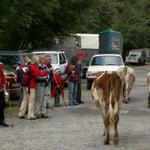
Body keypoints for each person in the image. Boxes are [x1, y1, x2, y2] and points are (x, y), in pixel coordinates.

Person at [18, 56, 50, 120]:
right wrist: (47, 71)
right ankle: (30, 115)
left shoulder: (29, 66)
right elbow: (40, 74)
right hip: (31, 86)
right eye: (38, 61)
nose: (38, 62)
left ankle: (21, 113)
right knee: (31, 100)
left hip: (25, 85)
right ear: (35, 61)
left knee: (25, 99)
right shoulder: (33, 67)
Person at [0, 63, 9, 127]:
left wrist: (5, 81)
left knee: (2, 104)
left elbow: (2, 76)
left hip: (1, 88)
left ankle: (2, 120)